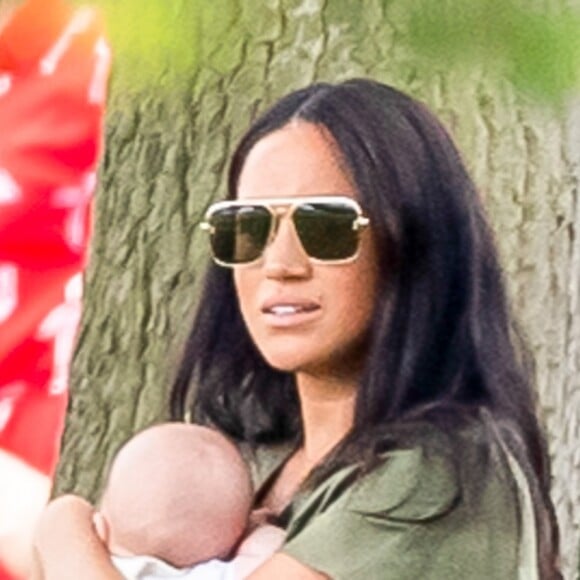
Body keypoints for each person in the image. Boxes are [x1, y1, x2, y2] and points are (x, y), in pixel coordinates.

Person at [33, 79, 562, 579]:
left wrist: (64, 530)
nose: (280, 263)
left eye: (324, 226)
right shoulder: (259, 465)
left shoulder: (440, 475)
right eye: (249, 227)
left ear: (413, 248)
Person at [92, 423, 283, 580]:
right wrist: (256, 530)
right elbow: (269, 551)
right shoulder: (210, 575)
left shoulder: (84, 562)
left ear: (99, 529)